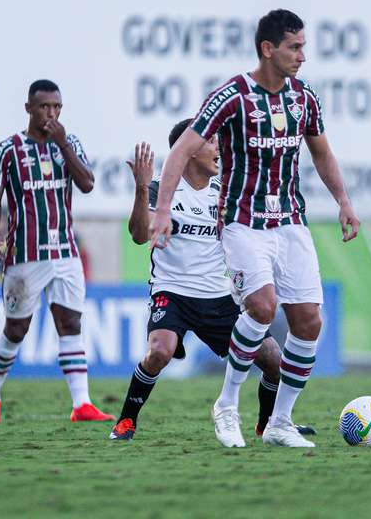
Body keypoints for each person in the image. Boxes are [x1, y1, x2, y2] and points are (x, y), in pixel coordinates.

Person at [150, 9, 360, 448]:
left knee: (308, 322)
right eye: (294, 47)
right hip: (242, 222)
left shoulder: (304, 98)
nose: (303, 55)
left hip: (290, 221)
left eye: (304, 46)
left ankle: (280, 422)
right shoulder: (230, 96)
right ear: (268, 48)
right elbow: (179, 152)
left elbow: (322, 154)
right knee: (262, 308)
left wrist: (343, 201)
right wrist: (163, 208)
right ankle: (227, 405)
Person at [110, 121, 315, 444]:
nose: (218, 147)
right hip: (172, 292)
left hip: (218, 297)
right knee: (160, 352)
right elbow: (138, 236)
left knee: (274, 359)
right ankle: (125, 421)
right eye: (211, 141)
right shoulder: (161, 189)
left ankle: (268, 425)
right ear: (189, 151)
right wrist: (140, 187)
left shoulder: (226, 191)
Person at [0, 79, 114, 424]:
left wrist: (63, 143)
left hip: (65, 251)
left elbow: (86, 183)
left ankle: (82, 404)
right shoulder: (8, 149)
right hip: (25, 255)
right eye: (44, 107)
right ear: (29, 109)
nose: (51, 113)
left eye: (56, 107)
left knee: (70, 322)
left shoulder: (69, 143)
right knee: (16, 330)